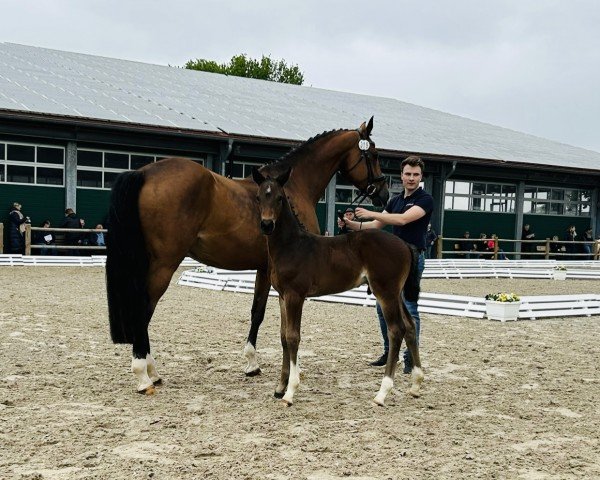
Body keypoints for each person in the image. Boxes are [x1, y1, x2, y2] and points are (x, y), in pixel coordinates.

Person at [338, 155, 433, 373]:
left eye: (415, 174)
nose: (411, 178)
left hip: (414, 255)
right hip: (392, 260)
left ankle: (411, 357)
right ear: (401, 175)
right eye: (408, 174)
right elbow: (375, 225)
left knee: (409, 307)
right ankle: (391, 351)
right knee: (383, 308)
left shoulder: (425, 200)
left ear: (420, 177)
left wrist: (370, 212)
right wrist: (351, 223)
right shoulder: (395, 200)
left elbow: (402, 220)